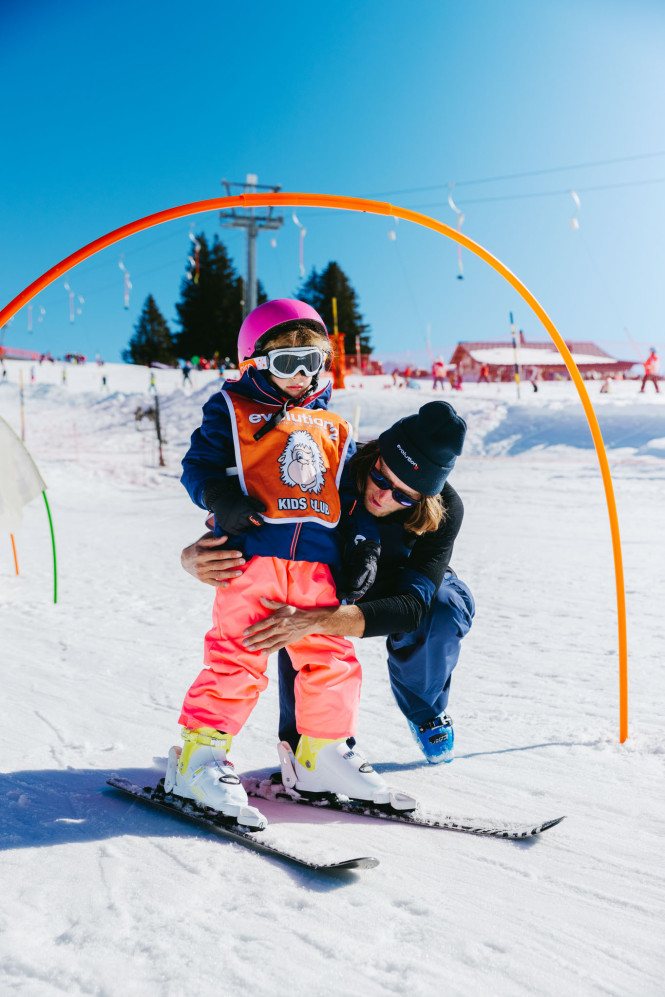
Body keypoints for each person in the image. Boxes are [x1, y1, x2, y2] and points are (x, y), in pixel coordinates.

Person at [168, 299, 411, 828]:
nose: (301, 376)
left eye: (313, 362)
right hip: (249, 560)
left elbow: (351, 500)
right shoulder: (231, 409)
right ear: (254, 362)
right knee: (238, 658)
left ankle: (320, 753)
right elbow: (198, 466)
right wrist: (218, 496)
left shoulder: (335, 428)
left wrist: (365, 543)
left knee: (331, 658)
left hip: (317, 569)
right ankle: (199, 758)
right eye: (286, 363)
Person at [182, 400, 474, 767]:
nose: (383, 497)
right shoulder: (332, 467)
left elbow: (412, 607)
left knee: (444, 607)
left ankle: (425, 710)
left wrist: (319, 619)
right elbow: (258, 525)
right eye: (381, 478)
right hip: (329, 581)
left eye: (403, 496)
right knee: (292, 607)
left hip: (398, 589)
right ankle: (309, 747)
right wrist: (192, 556)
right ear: (376, 454)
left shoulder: (446, 508)